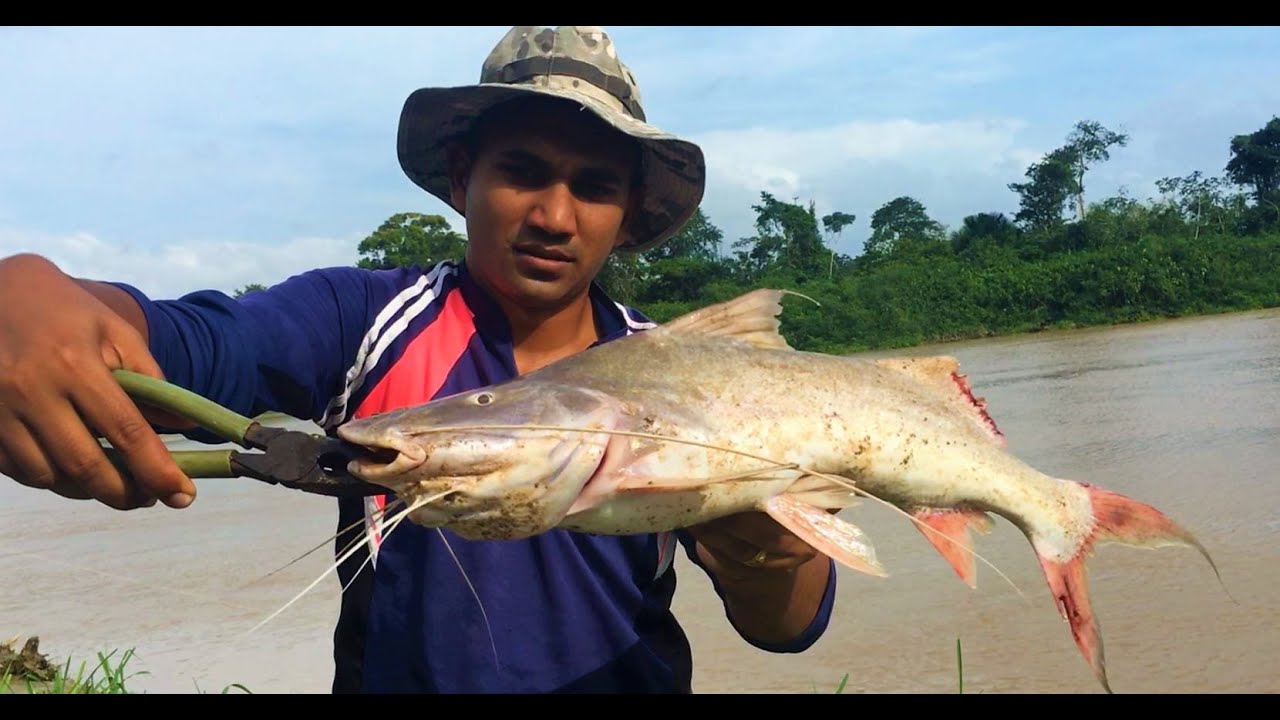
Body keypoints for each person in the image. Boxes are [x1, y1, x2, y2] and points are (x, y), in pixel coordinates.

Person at [0, 25, 837, 693]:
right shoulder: (362, 320)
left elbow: (788, 628)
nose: (554, 213)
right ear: (462, 176)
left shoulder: (683, 374)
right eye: (522, 172)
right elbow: (189, 344)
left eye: (593, 185)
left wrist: (756, 531)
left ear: (625, 214)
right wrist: (44, 299)